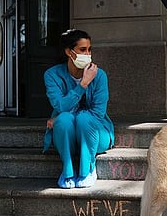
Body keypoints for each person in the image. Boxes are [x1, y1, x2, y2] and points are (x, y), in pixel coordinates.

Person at [43, 29, 114, 189]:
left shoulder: (99, 75)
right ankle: (67, 172)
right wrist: (83, 84)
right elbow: (60, 106)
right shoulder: (52, 75)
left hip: (95, 133)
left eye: (89, 49)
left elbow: (98, 113)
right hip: (67, 135)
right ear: (69, 52)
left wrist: (89, 80)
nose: (88, 54)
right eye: (83, 50)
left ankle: (87, 170)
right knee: (64, 119)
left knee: (83, 119)